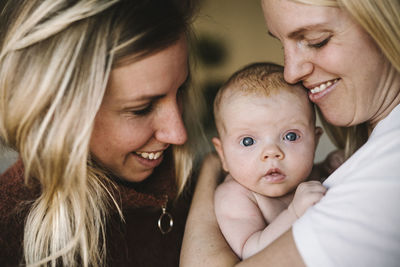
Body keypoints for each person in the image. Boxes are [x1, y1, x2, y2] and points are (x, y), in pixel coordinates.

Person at [180, 0, 400, 266]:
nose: (291, 73)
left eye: (316, 40)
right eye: (281, 45)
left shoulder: (387, 170)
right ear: (222, 151)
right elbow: (251, 247)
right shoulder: (234, 197)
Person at [0, 0, 207, 266]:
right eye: (141, 109)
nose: (178, 134)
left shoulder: (204, 186)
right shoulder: (9, 230)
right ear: (58, 112)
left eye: (181, 90)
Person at [212, 62, 325, 259]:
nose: (272, 153)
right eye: (248, 141)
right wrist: (293, 213)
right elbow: (250, 250)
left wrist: (329, 166)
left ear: (314, 142)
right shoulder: (234, 196)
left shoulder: (308, 174)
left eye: (290, 136)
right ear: (223, 155)